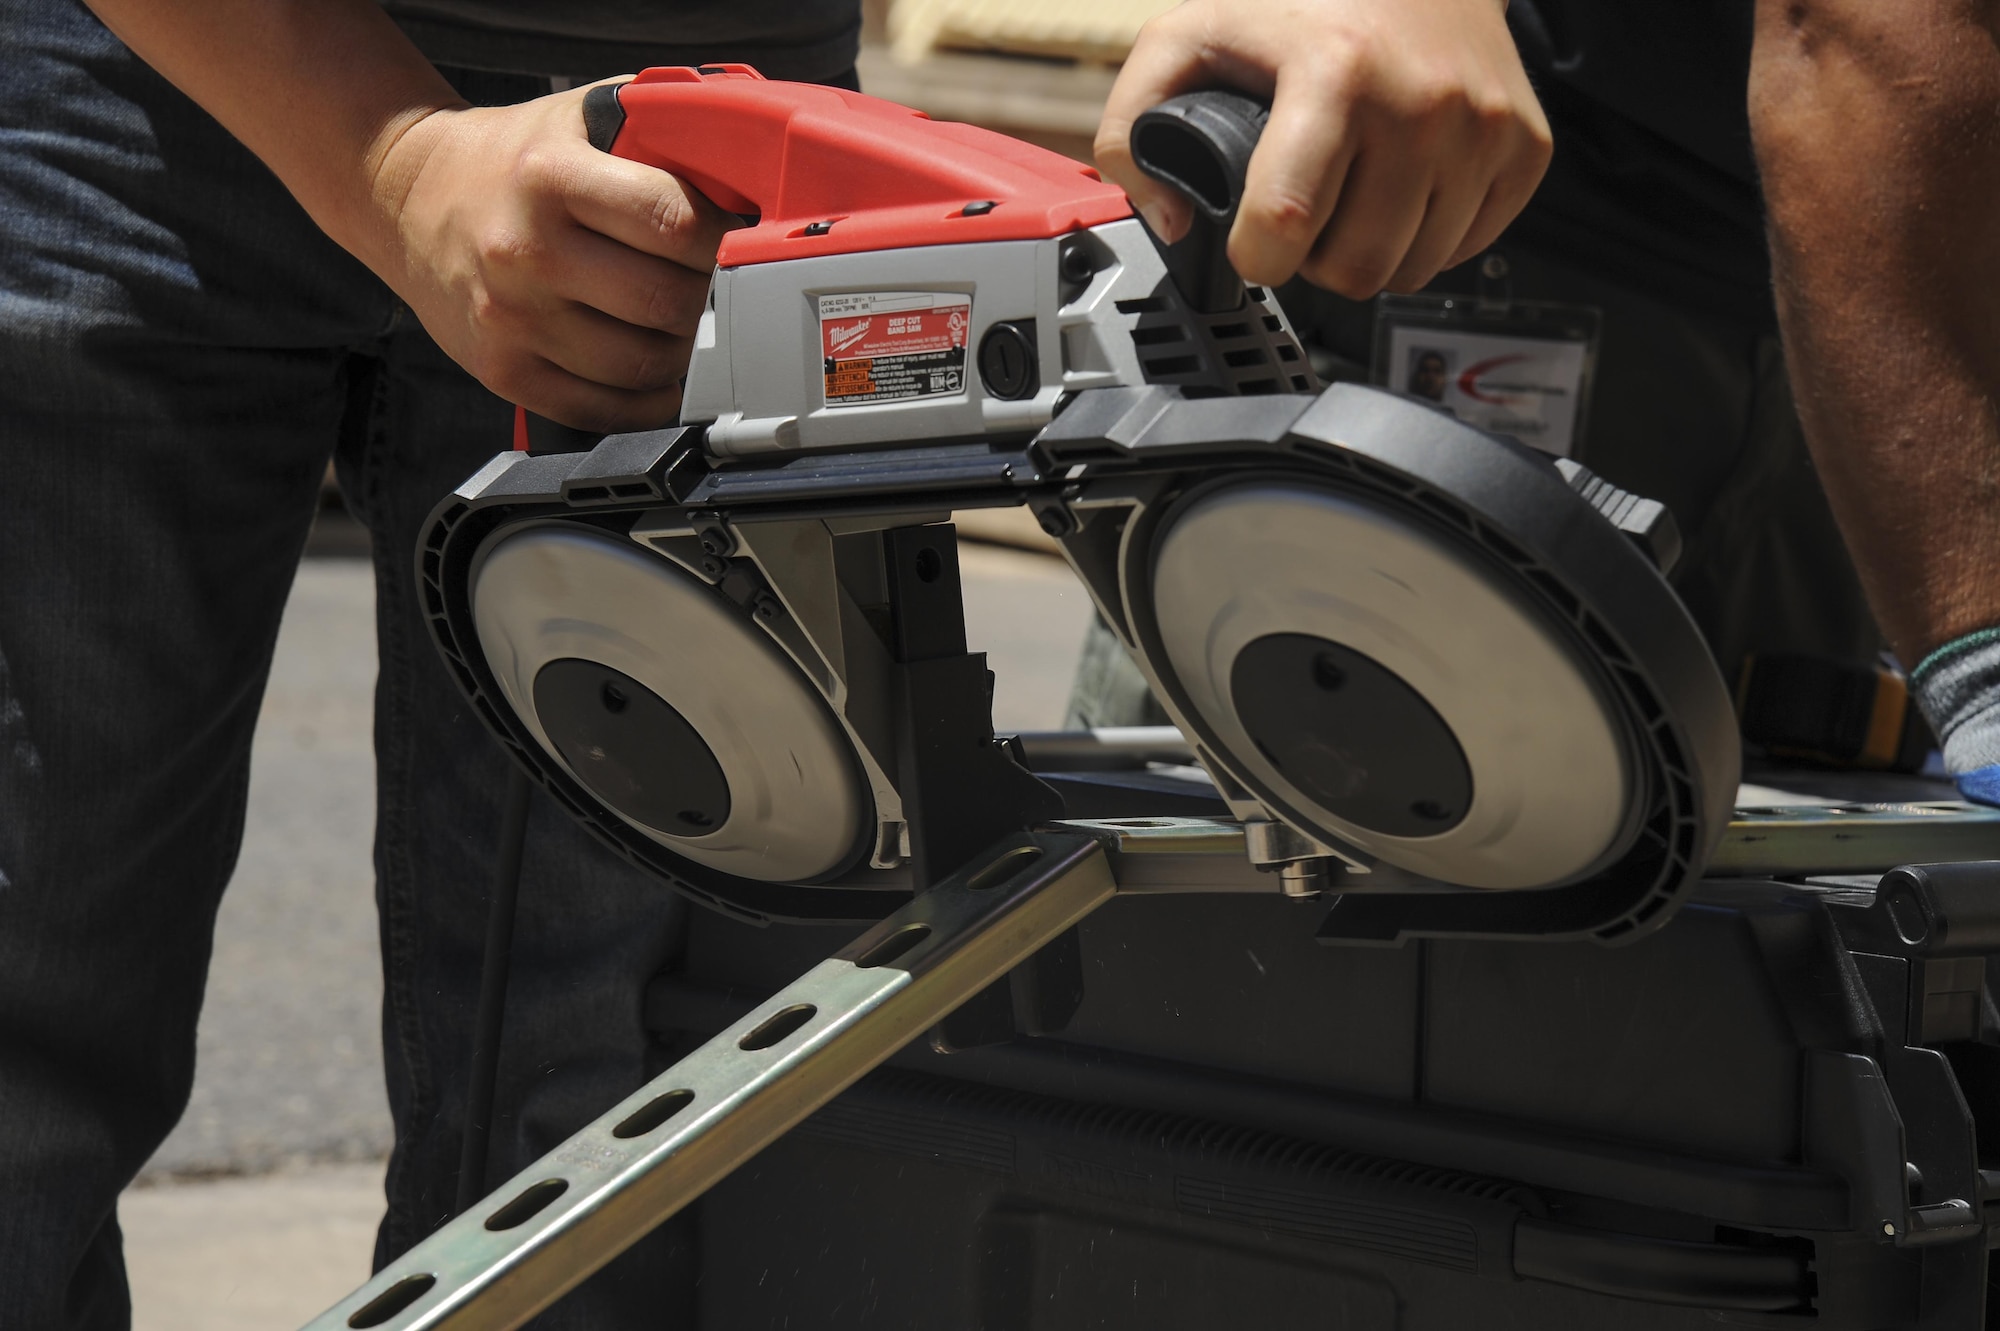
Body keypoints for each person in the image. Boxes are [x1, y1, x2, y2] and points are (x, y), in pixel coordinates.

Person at [0, 1, 1555, 1327]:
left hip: (713, 144)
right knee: (28, 1020)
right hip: (144, 84)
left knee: (605, 1095)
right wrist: (388, 161)